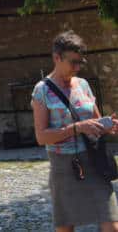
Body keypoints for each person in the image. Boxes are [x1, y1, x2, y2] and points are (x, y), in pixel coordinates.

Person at [31, 30, 118, 231]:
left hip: (95, 162)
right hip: (65, 168)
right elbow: (41, 137)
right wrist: (76, 128)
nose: (78, 67)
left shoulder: (84, 85)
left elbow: (95, 122)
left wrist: (108, 126)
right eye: (73, 62)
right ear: (56, 58)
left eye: (81, 62)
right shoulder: (42, 90)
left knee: (112, 225)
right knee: (66, 228)